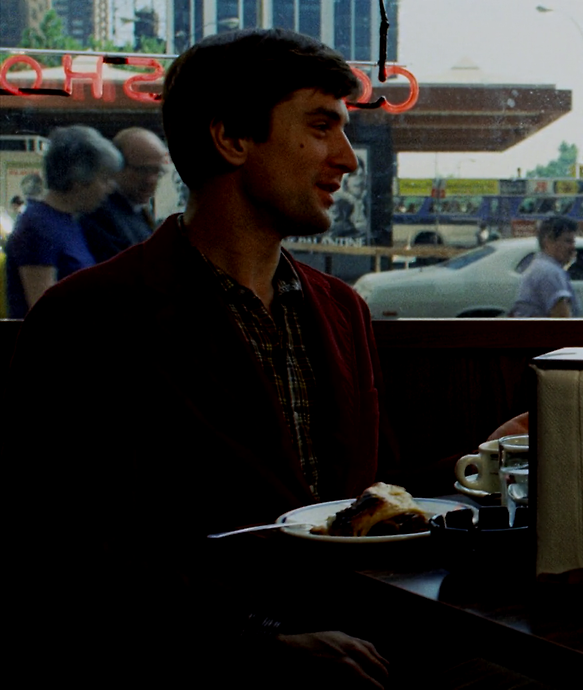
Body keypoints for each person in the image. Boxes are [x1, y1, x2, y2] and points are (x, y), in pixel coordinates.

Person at [5, 30, 397, 687]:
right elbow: (63, 543)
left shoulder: (342, 310)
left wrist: (487, 452)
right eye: (321, 126)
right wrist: (257, 639)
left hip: (362, 652)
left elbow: (362, 497)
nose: (348, 158)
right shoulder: (88, 317)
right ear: (231, 138)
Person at [3, 125, 119, 317]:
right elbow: (44, 312)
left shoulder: (67, 221)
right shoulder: (37, 227)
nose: (110, 188)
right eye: (104, 179)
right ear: (78, 179)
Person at [79, 127, 170, 262]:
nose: (151, 180)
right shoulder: (101, 214)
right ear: (116, 166)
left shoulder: (136, 210)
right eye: (143, 170)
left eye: (157, 171)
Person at [510, 214, 581, 317]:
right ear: (548, 242)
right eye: (568, 241)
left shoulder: (541, 266)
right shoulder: (548, 272)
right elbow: (561, 317)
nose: (573, 247)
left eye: (573, 242)